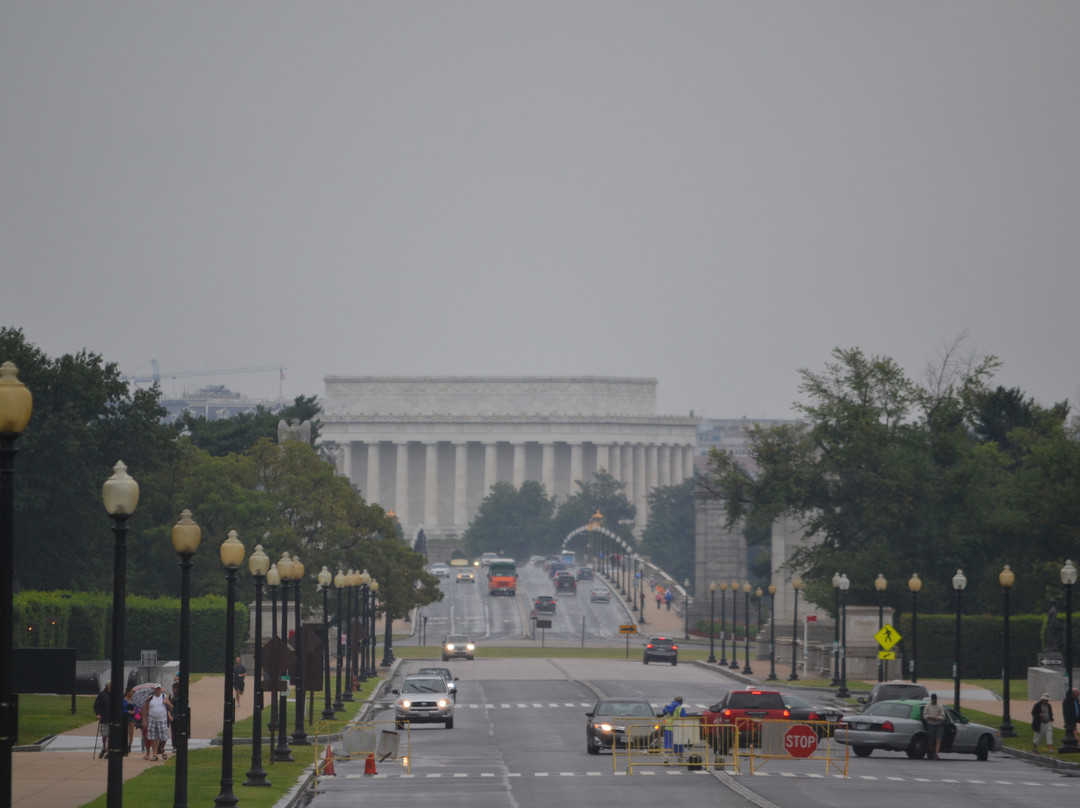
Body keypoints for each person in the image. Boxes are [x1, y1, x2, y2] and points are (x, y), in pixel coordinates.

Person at [144, 683, 173, 761]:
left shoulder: (164, 696)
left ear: (160, 689)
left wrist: (168, 703)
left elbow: (171, 708)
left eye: (159, 688)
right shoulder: (150, 698)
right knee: (154, 738)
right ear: (154, 689)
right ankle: (155, 755)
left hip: (162, 720)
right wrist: (145, 720)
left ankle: (162, 748)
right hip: (152, 720)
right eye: (156, 689)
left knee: (164, 737)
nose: (158, 690)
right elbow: (146, 709)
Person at [661, 695, 688, 761]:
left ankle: (666, 757)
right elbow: (684, 718)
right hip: (678, 728)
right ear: (681, 701)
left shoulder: (668, 706)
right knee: (678, 743)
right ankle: (680, 757)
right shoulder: (680, 708)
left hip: (668, 728)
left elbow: (663, 712)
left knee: (668, 743)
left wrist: (666, 707)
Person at [921, 693, 946, 760]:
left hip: (939, 724)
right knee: (930, 740)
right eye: (933, 700)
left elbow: (943, 716)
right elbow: (924, 716)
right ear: (931, 699)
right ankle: (931, 753)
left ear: (936, 699)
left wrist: (939, 717)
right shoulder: (927, 706)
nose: (934, 701)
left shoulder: (940, 706)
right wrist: (929, 716)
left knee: (938, 740)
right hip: (930, 724)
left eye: (935, 700)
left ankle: (936, 754)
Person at [92, 681, 111, 759]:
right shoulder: (102, 694)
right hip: (104, 718)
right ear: (107, 686)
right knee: (105, 735)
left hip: (112, 718)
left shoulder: (114, 694)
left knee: (110, 735)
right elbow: (96, 705)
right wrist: (98, 714)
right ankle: (104, 748)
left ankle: (108, 751)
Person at [122, 687, 136, 756]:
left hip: (132, 717)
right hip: (124, 716)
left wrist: (135, 712)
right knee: (124, 732)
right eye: (131, 692)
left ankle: (129, 746)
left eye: (132, 692)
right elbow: (121, 709)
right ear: (127, 692)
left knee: (131, 733)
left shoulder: (133, 700)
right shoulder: (123, 700)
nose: (132, 694)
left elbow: (138, 708)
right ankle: (123, 745)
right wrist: (127, 711)